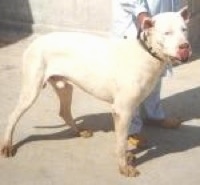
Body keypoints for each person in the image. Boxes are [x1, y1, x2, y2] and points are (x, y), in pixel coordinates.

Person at [112, 0, 184, 148]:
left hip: (163, 29)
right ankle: (132, 129)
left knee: (155, 75)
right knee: (133, 85)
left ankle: (154, 115)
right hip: (137, 26)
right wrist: (141, 14)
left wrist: (176, 17)